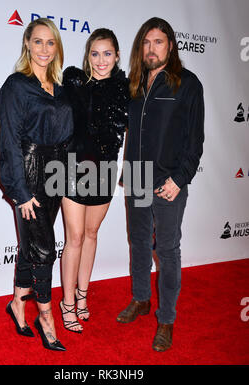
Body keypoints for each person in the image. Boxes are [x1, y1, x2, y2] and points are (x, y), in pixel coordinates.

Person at [116, 17, 204, 352]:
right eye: (147, 42)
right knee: (138, 243)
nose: (152, 48)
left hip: (168, 180)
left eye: (159, 41)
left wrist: (180, 179)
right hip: (136, 176)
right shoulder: (134, 84)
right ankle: (140, 299)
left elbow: (195, 140)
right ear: (142, 48)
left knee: (166, 252)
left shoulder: (187, 84)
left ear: (170, 45)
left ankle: (166, 319)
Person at [0, 18, 74, 351]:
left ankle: (17, 304)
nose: (44, 49)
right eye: (38, 42)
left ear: (57, 47)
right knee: (43, 248)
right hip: (27, 170)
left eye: (50, 42)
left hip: (56, 172)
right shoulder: (16, 85)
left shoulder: (61, 86)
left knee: (32, 243)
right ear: (27, 43)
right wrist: (20, 190)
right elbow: (9, 140)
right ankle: (46, 316)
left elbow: (69, 134)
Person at [60, 29, 129, 332]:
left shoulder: (126, 89)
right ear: (87, 56)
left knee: (91, 234)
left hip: (105, 170)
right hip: (72, 168)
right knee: (74, 237)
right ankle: (67, 303)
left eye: (107, 53)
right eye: (95, 53)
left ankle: (83, 295)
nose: (101, 60)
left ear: (117, 55)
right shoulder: (74, 82)